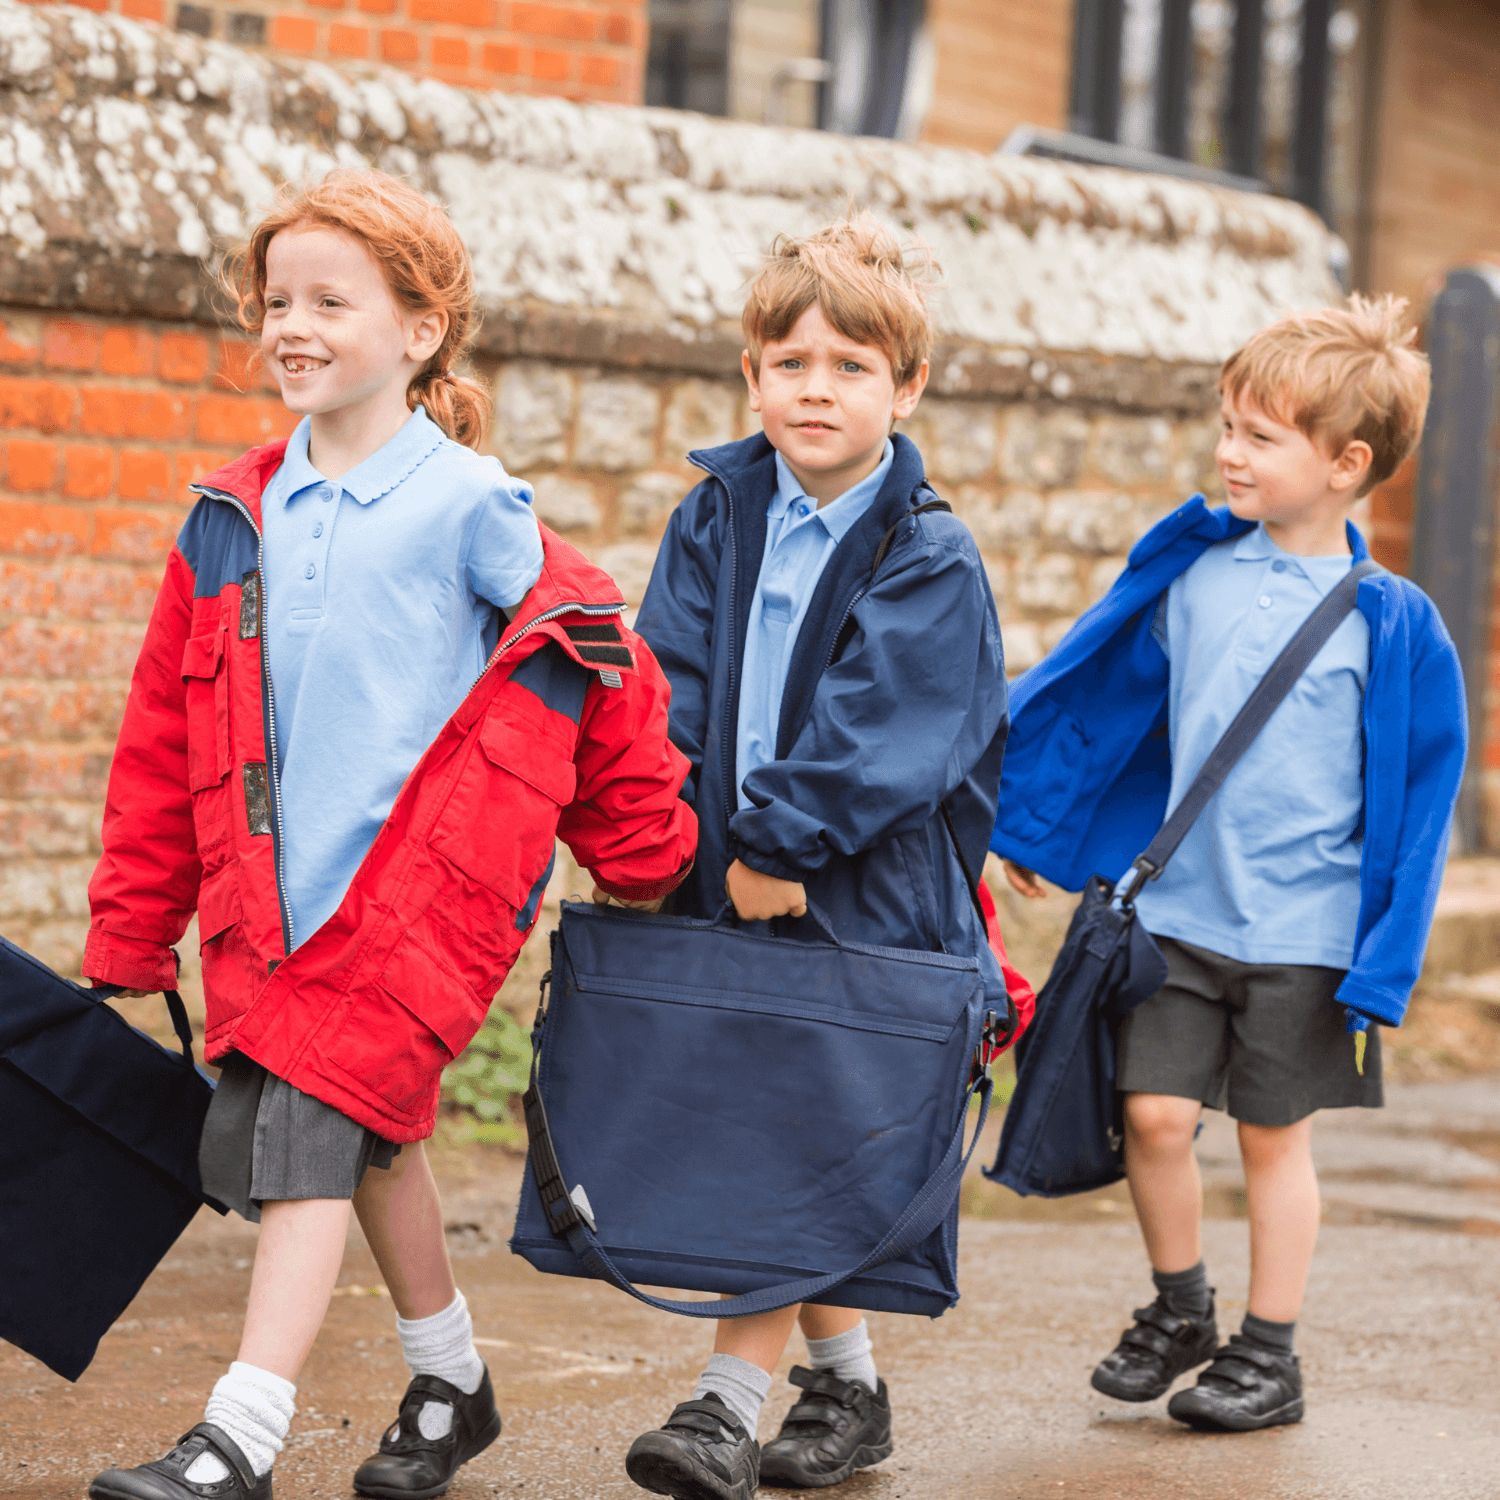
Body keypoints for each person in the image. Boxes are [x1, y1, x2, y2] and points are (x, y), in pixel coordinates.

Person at [82, 170, 697, 1500]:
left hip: (417, 903)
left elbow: (597, 664)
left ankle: (236, 1434)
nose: (292, 324)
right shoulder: (228, 517)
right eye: (276, 301)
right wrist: (135, 926)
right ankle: (451, 1381)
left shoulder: (471, 504)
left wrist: (648, 850)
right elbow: (160, 739)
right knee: (371, 1139)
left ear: (421, 332)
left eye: (330, 301)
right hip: (266, 906)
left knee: (310, 1127)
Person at [995, 296, 1466, 1432]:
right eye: (1227, 424)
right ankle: (1180, 1309)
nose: (1227, 451)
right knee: (1152, 1116)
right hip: (1176, 917)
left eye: (1261, 435)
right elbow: (1107, 706)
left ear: (1347, 465)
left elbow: (1422, 803)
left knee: (1271, 1137)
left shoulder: (1391, 623)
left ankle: (1271, 1352)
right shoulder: (1194, 573)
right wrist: (1034, 829)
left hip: (1304, 932)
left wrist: (1385, 957)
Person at [627, 216, 1011, 1500]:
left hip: (854, 889)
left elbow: (884, 726)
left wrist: (780, 842)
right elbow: (666, 679)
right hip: (728, 877)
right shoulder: (715, 515)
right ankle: (847, 1388)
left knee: (796, 1131)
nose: (816, 388)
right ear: (751, 374)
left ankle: (724, 1406)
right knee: (781, 1128)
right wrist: (673, 834)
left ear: (906, 389)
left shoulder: (928, 552)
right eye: (790, 361)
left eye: (852, 366)